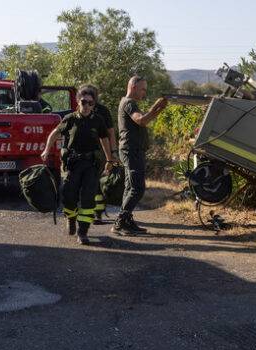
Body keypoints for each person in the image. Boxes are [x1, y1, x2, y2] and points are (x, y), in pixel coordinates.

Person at [41, 86, 116, 244]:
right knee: (69, 196)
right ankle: (71, 218)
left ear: (93, 104)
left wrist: (109, 159)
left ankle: (83, 232)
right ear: (78, 101)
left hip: (91, 164)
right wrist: (46, 150)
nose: (87, 105)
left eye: (90, 103)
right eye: (84, 102)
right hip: (73, 164)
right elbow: (55, 133)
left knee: (88, 199)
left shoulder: (98, 120)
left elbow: (104, 139)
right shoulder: (70, 119)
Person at [111, 76, 168, 235]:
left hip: (134, 151)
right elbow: (141, 120)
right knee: (137, 188)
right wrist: (156, 106)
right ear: (133, 87)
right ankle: (120, 222)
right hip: (131, 151)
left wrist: (159, 109)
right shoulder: (129, 103)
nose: (144, 92)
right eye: (143, 89)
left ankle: (126, 220)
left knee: (130, 187)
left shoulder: (129, 103)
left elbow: (144, 121)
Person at [82, 84, 118, 224]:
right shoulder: (79, 110)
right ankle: (92, 212)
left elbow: (110, 132)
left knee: (97, 183)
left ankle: (97, 213)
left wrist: (113, 153)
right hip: (84, 153)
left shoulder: (103, 111)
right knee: (88, 184)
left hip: (100, 153)